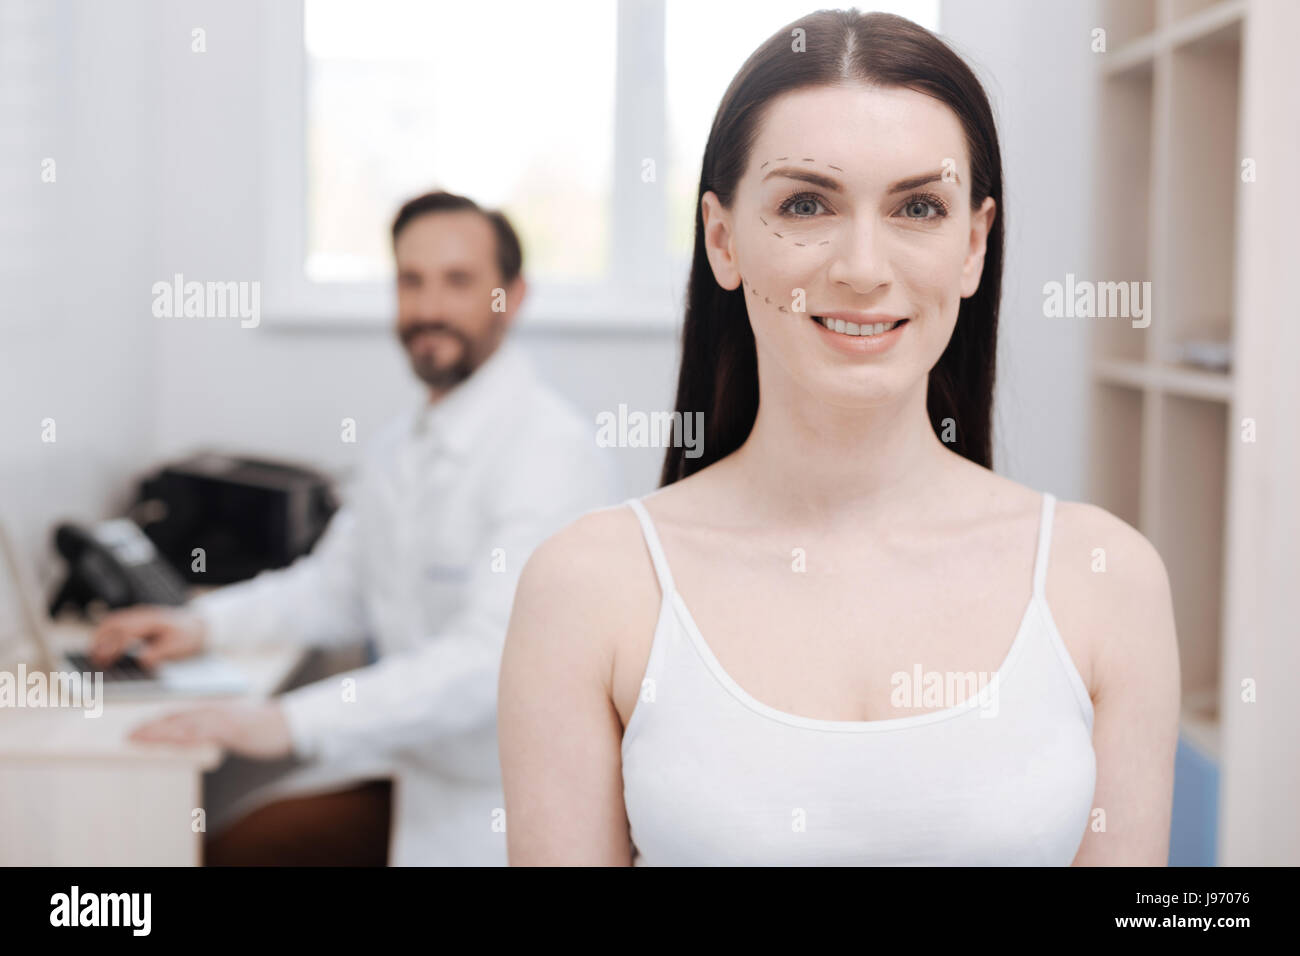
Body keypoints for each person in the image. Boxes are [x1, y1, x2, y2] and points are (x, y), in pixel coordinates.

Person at [497, 10, 1179, 865]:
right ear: (722, 238)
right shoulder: (588, 586)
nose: (862, 267)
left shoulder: (1106, 580)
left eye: (919, 207)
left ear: (973, 244)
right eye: (807, 203)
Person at [91, 190, 615, 866]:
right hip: (412, 767)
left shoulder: (549, 452)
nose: (427, 308)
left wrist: (287, 723)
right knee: (223, 846)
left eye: (458, 281)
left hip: (499, 801)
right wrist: (202, 625)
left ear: (511, 297)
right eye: (410, 280)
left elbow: (488, 663)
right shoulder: (402, 444)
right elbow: (334, 589)